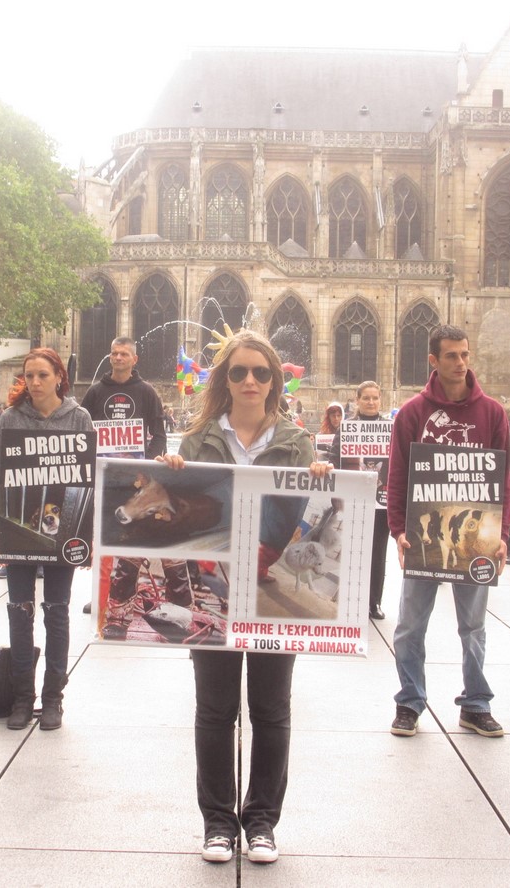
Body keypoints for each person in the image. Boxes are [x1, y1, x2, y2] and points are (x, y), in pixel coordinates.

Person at [156, 329, 329, 866]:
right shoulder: (200, 439)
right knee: (215, 709)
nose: (250, 380)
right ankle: (216, 824)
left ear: (275, 380)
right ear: (223, 380)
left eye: (261, 372)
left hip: (262, 577)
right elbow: (180, 511)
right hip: (216, 583)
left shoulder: (297, 442)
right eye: (239, 372)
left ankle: (260, 824)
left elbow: (310, 505)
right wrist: (171, 475)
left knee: (271, 710)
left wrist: (321, 476)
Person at [387, 326, 510, 740]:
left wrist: (503, 534)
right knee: (409, 626)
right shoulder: (412, 414)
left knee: (473, 627)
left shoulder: (492, 413)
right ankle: (409, 702)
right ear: (433, 361)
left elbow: (503, 480)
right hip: (424, 534)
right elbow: (399, 476)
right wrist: (398, 531)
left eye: (465, 354)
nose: (461, 362)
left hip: (478, 536)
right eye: (452, 356)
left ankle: (476, 704)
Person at [0, 348, 92, 731]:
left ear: (58, 377)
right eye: (28, 375)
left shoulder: (79, 418)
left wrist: (88, 534)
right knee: (19, 612)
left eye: (42, 375)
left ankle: (53, 699)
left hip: (63, 536)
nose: (34, 382)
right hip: (18, 530)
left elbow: (88, 480)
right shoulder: (10, 418)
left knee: (58, 613)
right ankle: (21, 697)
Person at [78, 337, 169, 608]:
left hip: (133, 479)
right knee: (102, 537)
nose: (118, 358)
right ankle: (100, 596)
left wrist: (148, 465)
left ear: (134, 359)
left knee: (130, 537)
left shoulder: (147, 392)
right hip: (103, 477)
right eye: (114, 353)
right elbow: (81, 431)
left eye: (124, 354)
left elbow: (160, 434)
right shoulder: (95, 392)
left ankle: (124, 592)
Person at [330, 380, 390, 619]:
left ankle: (374, 601)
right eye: (366, 398)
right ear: (357, 400)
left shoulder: (390, 427)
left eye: (375, 398)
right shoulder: (346, 428)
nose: (371, 402)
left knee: (378, 552)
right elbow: (334, 458)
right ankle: (351, 598)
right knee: (352, 549)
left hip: (381, 501)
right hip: (354, 500)